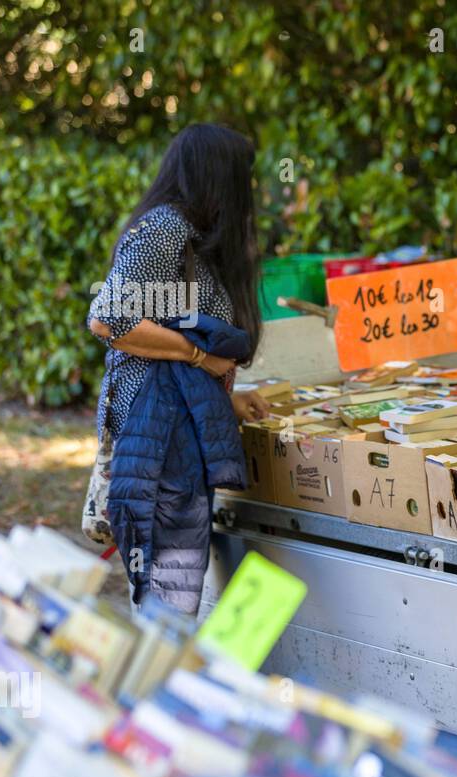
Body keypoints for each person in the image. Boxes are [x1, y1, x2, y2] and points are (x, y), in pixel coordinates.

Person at [87, 123, 270, 614]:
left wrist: (223, 396)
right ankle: (158, 685)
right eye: (242, 179)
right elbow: (110, 318)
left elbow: (167, 329)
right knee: (167, 596)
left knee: (173, 591)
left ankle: (165, 678)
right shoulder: (165, 229)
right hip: (158, 443)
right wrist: (201, 357)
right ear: (217, 177)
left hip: (174, 434)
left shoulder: (193, 238)